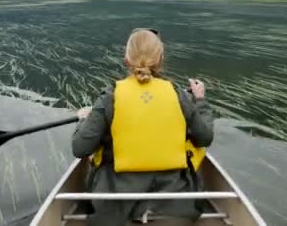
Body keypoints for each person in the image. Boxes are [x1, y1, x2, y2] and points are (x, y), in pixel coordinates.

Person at [71, 28, 214, 226]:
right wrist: (200, 100)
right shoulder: (177, 95)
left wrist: (83, 120)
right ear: (161, 59)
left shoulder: (110, 96)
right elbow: (205, 137)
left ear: (126, 59)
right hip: (176, 211)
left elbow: (80, 148)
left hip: (115, 213)